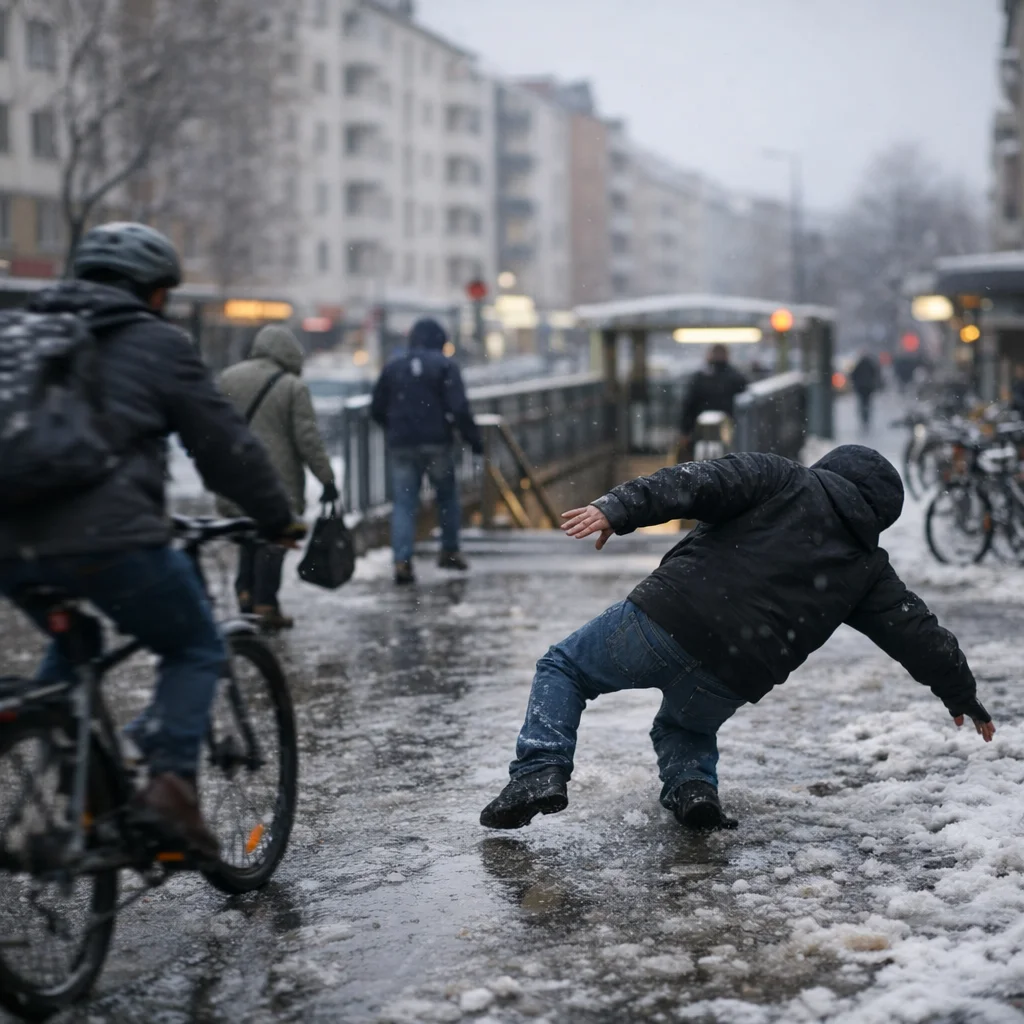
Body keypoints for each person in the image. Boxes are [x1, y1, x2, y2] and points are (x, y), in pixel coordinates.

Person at [480, 446, 994, 832]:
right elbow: (917, 632)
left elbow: (695, 482)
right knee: (686, 728)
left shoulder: (783, 478)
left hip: (668, 617)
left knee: (565, 668)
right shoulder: (867, 567)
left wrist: (620, 507)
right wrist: (961, 694)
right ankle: (694, 792)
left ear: (830, 467)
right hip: (735, 672)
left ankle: (539, 771)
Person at [0, 223, 299, 859]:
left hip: (10, 542)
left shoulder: (19, 334)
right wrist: (276, 517)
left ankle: (71, 772)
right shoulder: (156, 341)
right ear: (154, 292)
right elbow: (224, 448)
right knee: (193, 644)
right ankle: (165, 784)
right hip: (108, 538)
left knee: (73, 640)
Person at [217, 325, 338, 629]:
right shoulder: (291, 387)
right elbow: (307, 439)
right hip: (276, 480)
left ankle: (245, 596)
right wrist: (327, 479)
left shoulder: (228, 378)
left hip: (235, 476)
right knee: (273, 539)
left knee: (247, 536)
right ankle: (265, 604)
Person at [371, 317, 483, 584]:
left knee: (404, 502)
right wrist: (473, 440)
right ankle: (449, 550)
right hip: (437, 442)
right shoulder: (445, 366)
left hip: (402, 445)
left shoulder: (394, 367)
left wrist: (395, 427)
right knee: (446, 496)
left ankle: (402, 560)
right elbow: (459, 408)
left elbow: (376, 408)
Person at [679, 344, 747, 460]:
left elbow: (689, 404)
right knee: (728, 458)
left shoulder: (700, 377)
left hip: (701, 429)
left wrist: (685, 431)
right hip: (729, 428)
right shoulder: (736, 377)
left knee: (702, 461)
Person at [851, 352, 881, 429]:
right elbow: (875, 374)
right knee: (867, 403)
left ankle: (864, 416)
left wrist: (856, 384)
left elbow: (853, 375)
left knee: (862, 403)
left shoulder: (859, 364)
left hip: (861, 387)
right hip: (868, 387)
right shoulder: (870, 364)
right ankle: (866, 416)